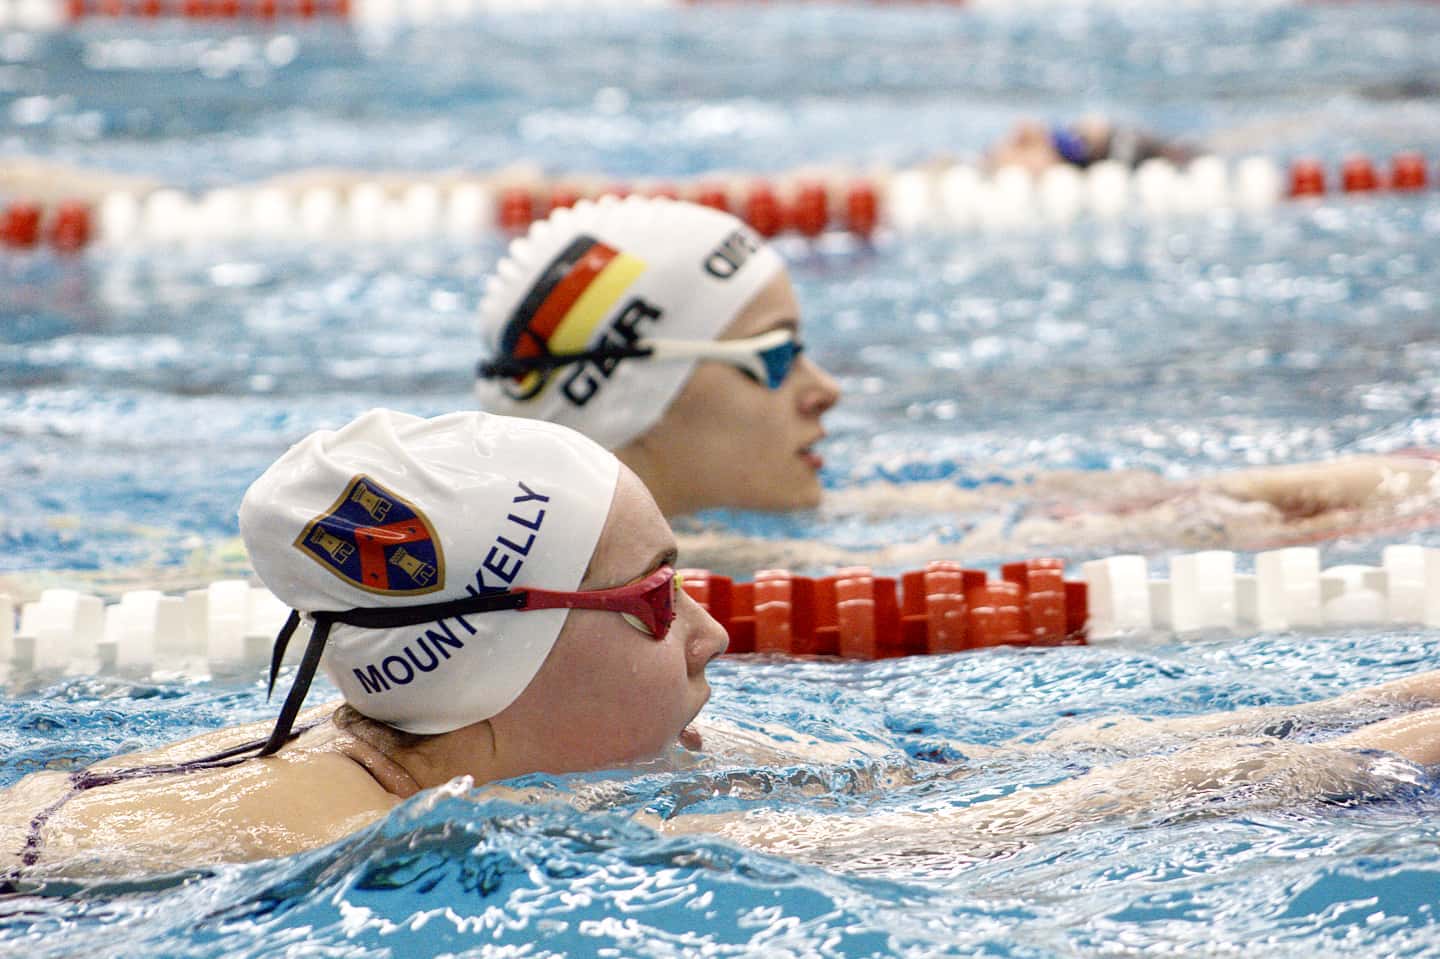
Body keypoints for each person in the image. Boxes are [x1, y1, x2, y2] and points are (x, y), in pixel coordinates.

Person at [3, 408, 1440, 881]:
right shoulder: (379, 836)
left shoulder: (458, 750)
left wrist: (1380, 696)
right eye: (652, 599)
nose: (707, 630)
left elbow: (983, 772)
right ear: (498, 650)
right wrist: (1372, 762)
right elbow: (968, 841)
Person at [474, 195, 1440, 569]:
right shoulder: (713, 579)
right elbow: (1099, 533)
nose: (825, 388)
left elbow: (1104, 505)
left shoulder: (754, 538)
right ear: (632, 400)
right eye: (774, 355)